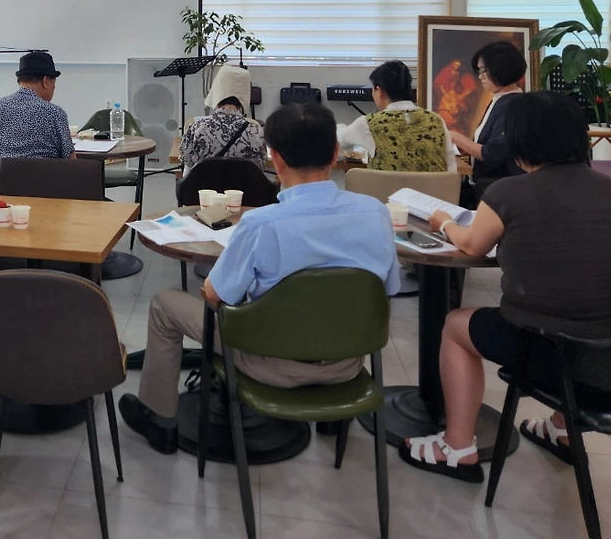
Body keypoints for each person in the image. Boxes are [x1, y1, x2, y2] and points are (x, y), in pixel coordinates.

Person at [400, 91, 611, 482]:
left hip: (557, 359)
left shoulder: (509, 192)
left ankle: (456, 446)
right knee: (584, 308)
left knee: (455, 325)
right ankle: (561, 430)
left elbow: (472, 244)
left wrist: (443, 222)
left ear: (520, 143)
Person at [119, 102, 400, 454]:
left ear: (275, 158)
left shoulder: (261, 223)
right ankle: (333, 419)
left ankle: (159, 420)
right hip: (348, 362)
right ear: (334, 153)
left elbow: (214, 296)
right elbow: (386, 291)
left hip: (269, 362)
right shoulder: (376, 214)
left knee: (165, 304)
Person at [337, 60, 456, 171]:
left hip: (384, 188)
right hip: (432, 188)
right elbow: (451, 169)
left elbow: (337, 138)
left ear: (379, 90)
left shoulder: (369, 124)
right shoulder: (436, 120)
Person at [0, 51, 74, 189]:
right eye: (54, 83)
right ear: (46, 81)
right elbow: (71, 162)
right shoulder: (54, 113)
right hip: (46, 195)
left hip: (0, 196)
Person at [449, 40, 527, 207]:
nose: (480, 77)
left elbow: (492, 153)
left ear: (501, 70)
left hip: (498, 193)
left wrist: (454, 137)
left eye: (483, 71)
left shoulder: (511, 105)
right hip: (485, 187)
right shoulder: (499, 100)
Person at [179, 64, 267, 175]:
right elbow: (259, 171)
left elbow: (187, 173)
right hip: (243, 186)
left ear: (216, 92)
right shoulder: (256, 132)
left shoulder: (197, 128)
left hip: (205, 186)